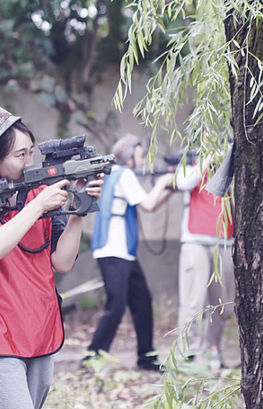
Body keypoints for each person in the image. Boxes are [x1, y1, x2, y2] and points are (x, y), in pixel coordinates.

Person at [0, 107, 102, 409]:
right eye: (20, 155)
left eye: (31, 152)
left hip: (38, 321)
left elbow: (62, 262)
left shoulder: (40, 194)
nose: (30, 162)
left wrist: (80, 209)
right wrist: (37, 207)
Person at [85, 134, 174, 371]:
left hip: (121, 252)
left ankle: (146, 357)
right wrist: (164, 181)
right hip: (115, 251)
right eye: (139, 155)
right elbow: (148, 204)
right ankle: (92, 357)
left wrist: (169, 188)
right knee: (116, 306)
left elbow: (150, 203)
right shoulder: (123, 174)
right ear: (128, 156)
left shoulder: (115, 174)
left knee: (142, 302)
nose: (142, 160)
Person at [173, 155, 235, 370]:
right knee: (193, 301)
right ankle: (189, 353)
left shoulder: (230, 165)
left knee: (223, 303)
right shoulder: (190, 165)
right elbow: (182, 183)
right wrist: (206, 159)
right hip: (195, 241)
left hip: (224, 242)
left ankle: (212, 349)